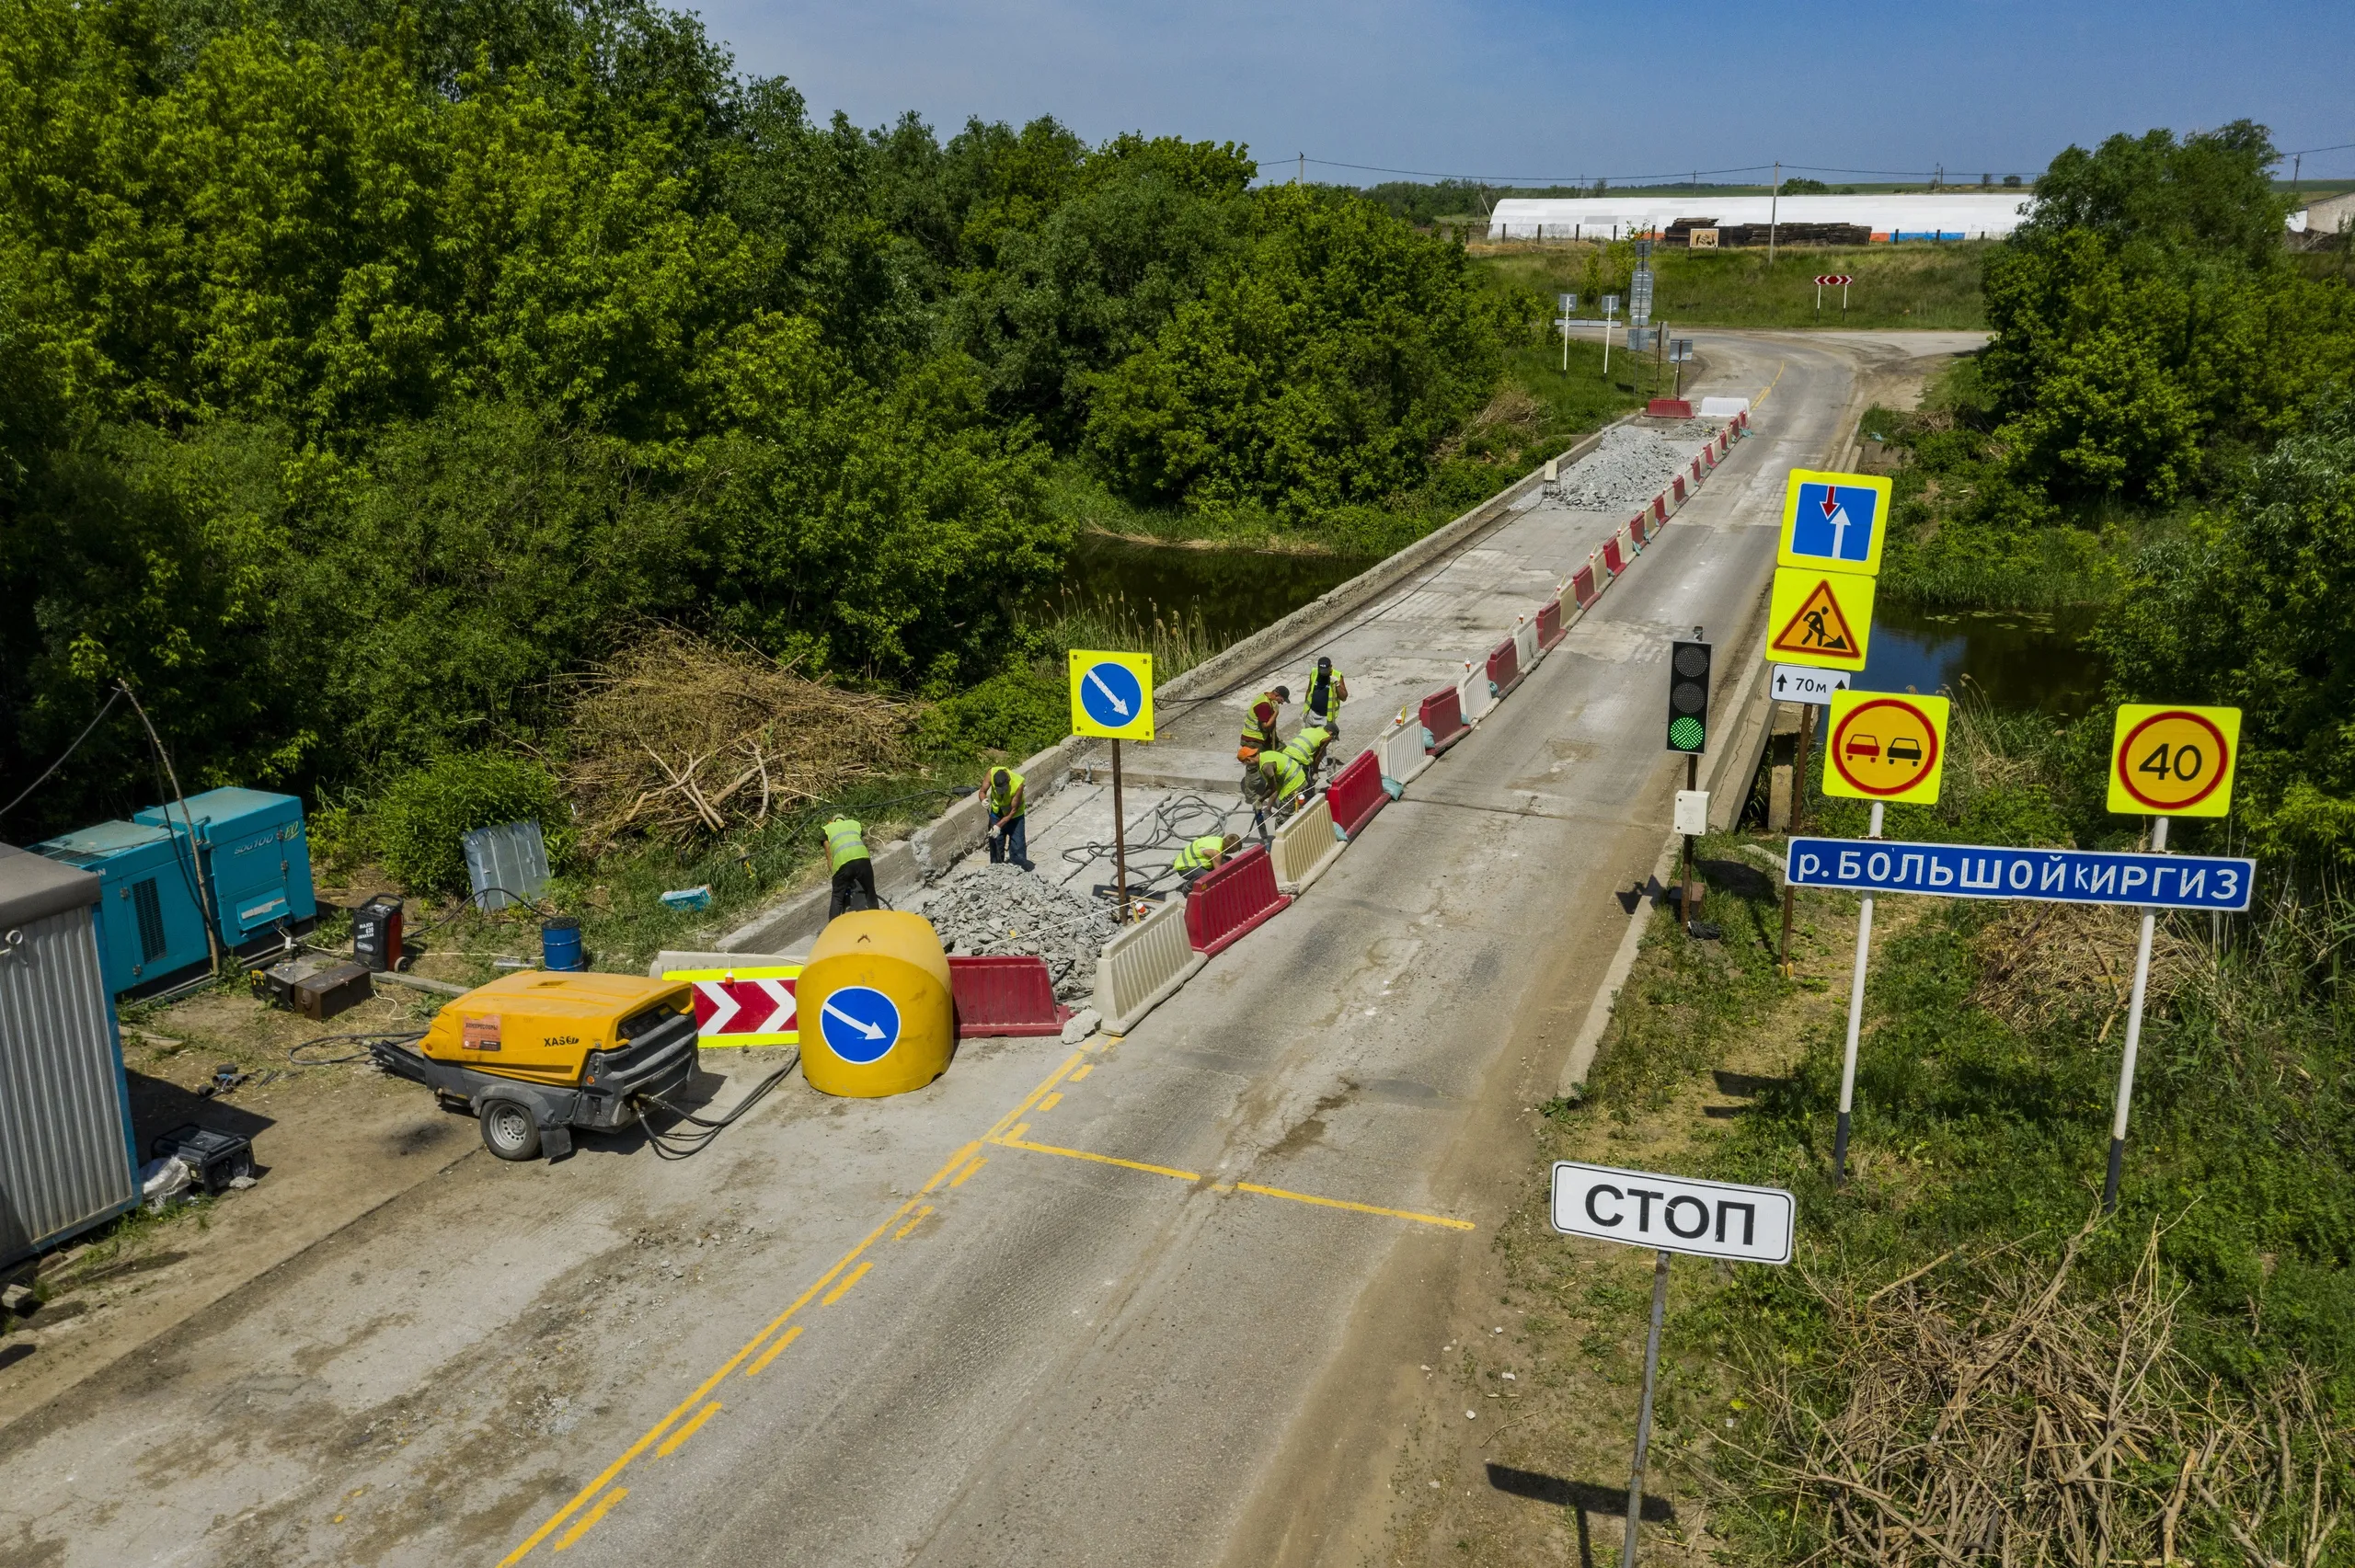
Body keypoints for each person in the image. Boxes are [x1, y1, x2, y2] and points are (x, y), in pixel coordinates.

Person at [822, 816, 877, 919]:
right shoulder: (854, 823)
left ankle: (833, 930)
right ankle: (877, 922)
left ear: (832, 822)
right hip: (863, 860)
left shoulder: (827, 829)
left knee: (837, 897)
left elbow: (829, 857)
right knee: (870, 892)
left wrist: (836, 878)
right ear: (844, 820)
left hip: (842, 864)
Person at [985, 765, 1031, 870]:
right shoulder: (991, 773)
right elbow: (982, 791)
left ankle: (1018, 870)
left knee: (1017, 844)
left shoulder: (1018, 785)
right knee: (996, 842)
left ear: (1008, 781)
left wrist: (998, 825)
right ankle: (996, 869)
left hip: (1015, 816)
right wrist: (983, 799)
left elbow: (1012, 811)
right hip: (997, 813)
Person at [1236, 684, 1292, 764]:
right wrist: (1276, 713)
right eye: (1282, 700)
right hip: (1253, 740)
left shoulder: (1267, 698)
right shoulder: (1264, 705)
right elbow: (1265, 726)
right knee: (1254, 766)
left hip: (1261, 738)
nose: (1281, 703)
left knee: (1281, 750)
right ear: (1277, 695)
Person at [1171, 832, 1243, 885]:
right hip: (1185, 867)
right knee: (1207, 877)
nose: (1232, 853)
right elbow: (1219, 873)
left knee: (1227, 861)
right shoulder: (1215, 852)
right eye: (1233, 851)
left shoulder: (1218, 840)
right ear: (1229, 849)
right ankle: (1187, 888)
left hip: (1192, 861)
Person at [1301, 657, 1347, 735]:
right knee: (1308, 737)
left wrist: (1337, 684)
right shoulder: (1315, 672)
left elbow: (1344, 697)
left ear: (1330, 667)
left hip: (1325, 718)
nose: (1323, 673)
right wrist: (1305, 712)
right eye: (1321, 671)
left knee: (1321, 742)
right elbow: (1309, 690)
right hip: (1312, 714)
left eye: (1325, 671)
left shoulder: (1337, 676)